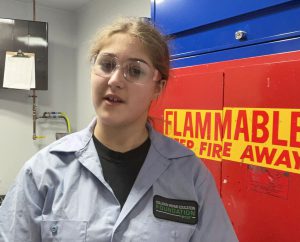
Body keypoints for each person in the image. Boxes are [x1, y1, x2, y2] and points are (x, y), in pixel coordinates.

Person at [0, 17, 238, 242]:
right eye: (106, 64)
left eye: (134, 70)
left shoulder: (190, 175)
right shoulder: (44, 171)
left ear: (158, 87)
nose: (114, 80)